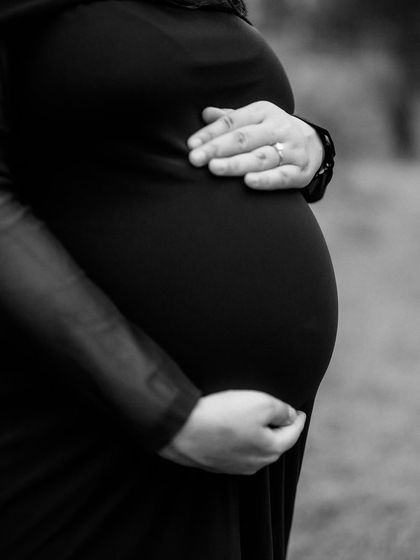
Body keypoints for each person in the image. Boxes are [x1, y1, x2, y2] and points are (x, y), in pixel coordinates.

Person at [0, 0, 338, 558]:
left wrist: (313, 148)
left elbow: (160, 137)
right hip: (88, 413)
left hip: (243, 442)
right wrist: (162, 412)